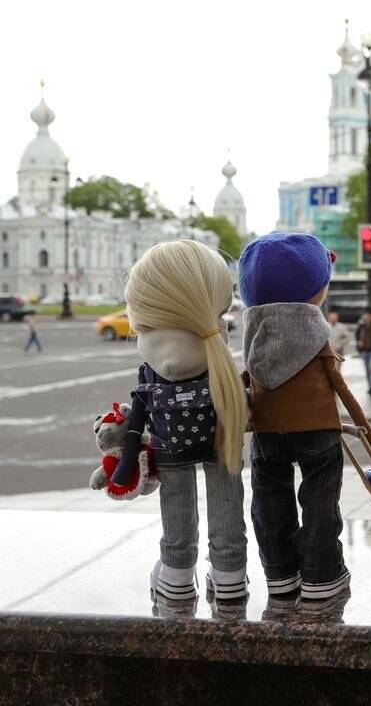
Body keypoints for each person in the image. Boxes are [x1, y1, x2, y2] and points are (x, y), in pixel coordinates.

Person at [238, 232, 371, 603]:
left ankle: (280, 575)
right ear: (317, 290)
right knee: (320, 500)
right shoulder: (316, 337)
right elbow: (342, 388)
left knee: (268, 501)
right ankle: (322, 576)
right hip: (318, 427)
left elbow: (243, 381)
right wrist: (367, 430)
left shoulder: (255, 337)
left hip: (267, 429)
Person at [110, 240, 249, 607]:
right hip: (222, 439)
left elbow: (138, 419)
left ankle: (176, 575)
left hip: (168, 444)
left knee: (176, 506)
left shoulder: (152, 369)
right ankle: (230, 575)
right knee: (228, 500)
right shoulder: (217, 357)